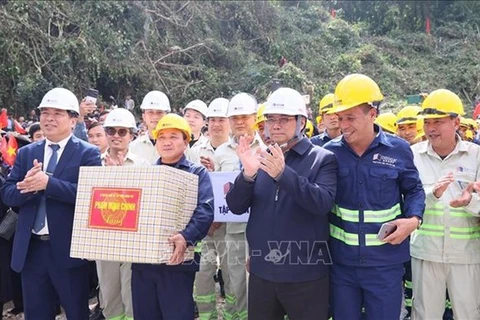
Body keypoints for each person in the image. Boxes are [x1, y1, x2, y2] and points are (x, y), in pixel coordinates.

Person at [226, 87, 337, 320]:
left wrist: (283, 174)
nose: (275, 125)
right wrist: (247, 175)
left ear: (301, 122)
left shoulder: (322, 159)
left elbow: (322, 203)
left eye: (284, 119)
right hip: (262, 272)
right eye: (270, 119)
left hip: (306, 274)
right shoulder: (260, 158)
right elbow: (236, 207)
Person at [323, 74, 425, 320]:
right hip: (342, 266)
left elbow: (414, 190)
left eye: (351, 118)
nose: (343, 125)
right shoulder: (328, 154)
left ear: (372, 113)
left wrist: (414, 219)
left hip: (384, 265)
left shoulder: (398, 150)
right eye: (340, 118)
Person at [0, 87, 102, 319]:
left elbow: (90, 196)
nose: (49, 118)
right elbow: (8, 194)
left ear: (73, 120)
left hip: (68, 250)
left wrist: (49, 184)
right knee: (36, 313)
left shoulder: (87, 154)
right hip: (31, 250)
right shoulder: (27, 152)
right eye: (45, 113)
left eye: (57, 113)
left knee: (76, 312)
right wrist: (25, 187)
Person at [131, 114, 214, 320]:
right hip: (144, 262)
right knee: (145, 314)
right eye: (162, 137)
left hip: (178, 261)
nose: (167, 142)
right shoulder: (146, 174)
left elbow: (205, 211)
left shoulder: (197, 174)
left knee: (176, 314)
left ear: (186, 141)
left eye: (174, 136)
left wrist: (186, 237)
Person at [410, 89, 480, 320]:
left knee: (468, 314)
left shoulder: (476, 156)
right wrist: (433, 194)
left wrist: (470, 202)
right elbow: (406, 201)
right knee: (424, 314)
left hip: (466, 254)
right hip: (426, 253)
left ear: (456, 122)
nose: (431, 128)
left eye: (438, 122)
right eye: (427, 122)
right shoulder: (413, 155)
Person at [215, 92, 265, 320]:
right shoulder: (221, 152)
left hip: (261, 227)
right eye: (234, 118)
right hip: (232, 229)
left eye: (244, 117)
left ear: (254, 117)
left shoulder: (266, 148)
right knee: (235, 282)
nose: (240, 122)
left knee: (258, 281)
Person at [97, 108, 149, 320]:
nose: (116, 136)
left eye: (122, 131)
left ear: (132, 135)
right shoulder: (93, 162)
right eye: (111, 131)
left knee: (131, 294)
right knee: (109, 296)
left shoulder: (143, 165)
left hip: (132, 240)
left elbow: (146, 202)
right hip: (103, 239)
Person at [188, 98, 234, 320]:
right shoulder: (196, 150)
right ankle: (207, 316)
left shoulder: (237, 150)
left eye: (221, 120)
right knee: (202, 274)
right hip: (203, 228)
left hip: (230, 227)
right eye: (213, 119)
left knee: (232, 274)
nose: (216, 124)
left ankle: (234, 315)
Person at [130, 91, 170, 164]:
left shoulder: (176, 146)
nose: (155, 117)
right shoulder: (133, 147)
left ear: (167, 115)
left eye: (159, 112)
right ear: (144, 116)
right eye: (150, 112)